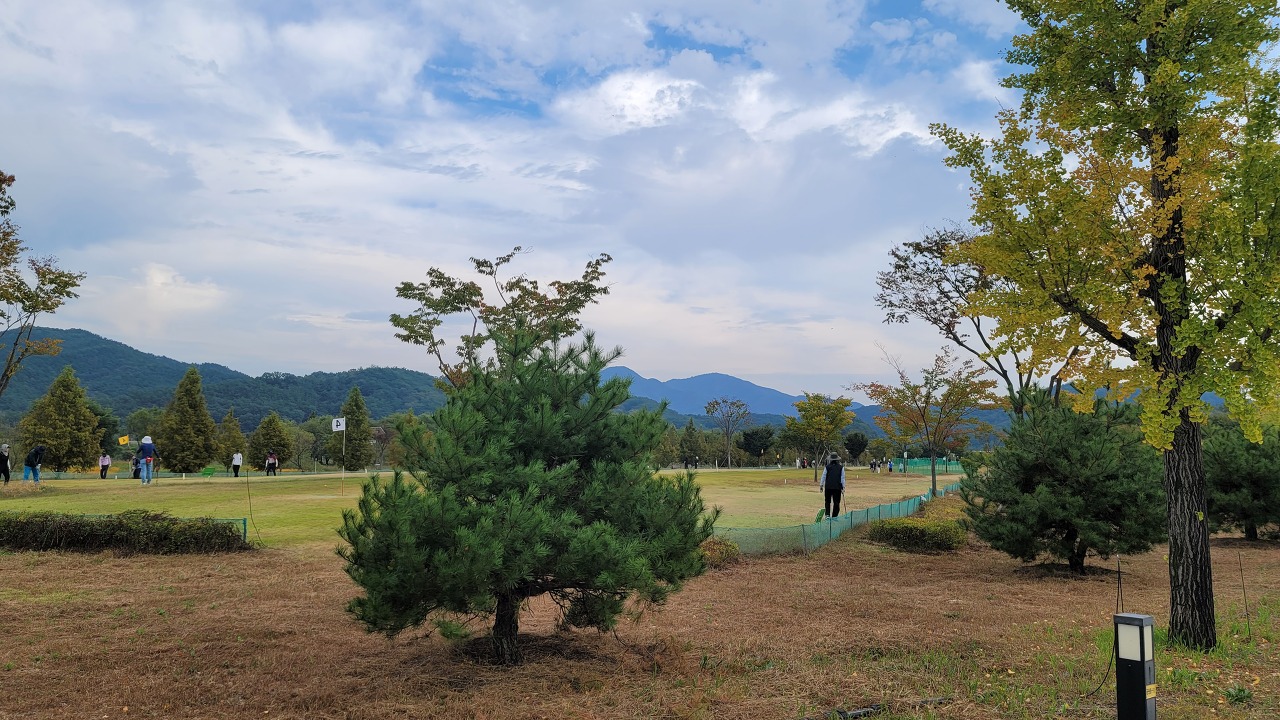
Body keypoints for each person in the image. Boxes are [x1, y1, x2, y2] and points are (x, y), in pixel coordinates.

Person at [819, 452, 845, 519]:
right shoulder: (841, 467)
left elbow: (823, 476)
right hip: (837, 487)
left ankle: (827, 515)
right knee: (836, 502)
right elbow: (842, 478)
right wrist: (843, 487)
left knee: (827, 501)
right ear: (837, 459)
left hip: (828, 487)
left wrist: (821, 485)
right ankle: (835, 516)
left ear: (830, 459)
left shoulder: (827, 467)